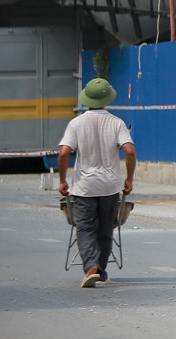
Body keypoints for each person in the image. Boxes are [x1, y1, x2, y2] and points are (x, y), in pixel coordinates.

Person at [58, 78, 135, 288]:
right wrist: (129, 179)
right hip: (110, 186)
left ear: (86, 99)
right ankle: (100, 271)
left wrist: (63, 180)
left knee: (85, 229)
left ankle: (91, 267)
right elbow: (129, 150)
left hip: (84, 187)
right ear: (106, 99)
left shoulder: (76, 123)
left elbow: (64, 153)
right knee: (105, 229)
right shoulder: (116, 122)